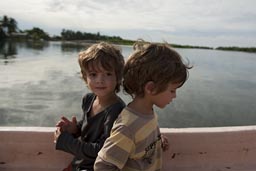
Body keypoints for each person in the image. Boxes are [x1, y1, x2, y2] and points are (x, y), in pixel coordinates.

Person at [94, 41, 192, 171]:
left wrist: (156, 140)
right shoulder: (127, 127)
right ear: (151, 88)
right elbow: (102, 166)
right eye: (172, 90)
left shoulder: (146, 112)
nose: (174, 96)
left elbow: (140, 138)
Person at [54, 42, 126, 171]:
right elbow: (89, 129)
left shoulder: (116, 110)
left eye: (108, 74)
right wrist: (75, 129)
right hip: (79, 163)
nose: (100, 80)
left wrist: (65, 141)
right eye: (93, 74)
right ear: (85, 76)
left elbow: (102, 150)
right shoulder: (88, 99)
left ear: (118, 77)